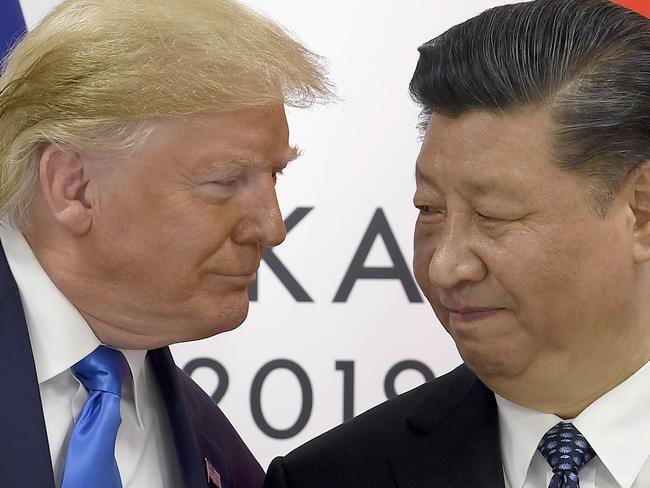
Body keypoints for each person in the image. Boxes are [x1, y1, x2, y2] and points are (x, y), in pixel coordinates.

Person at [264, 1, 650, 487]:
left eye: (493, 216)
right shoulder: (330, 477)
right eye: (429, 210)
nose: (445, 267)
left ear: (641, 213)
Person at [0, 1, 331, 487]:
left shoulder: (219, 453)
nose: (271, 227)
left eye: (274, 174)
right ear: (74, 186)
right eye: (225, 180)